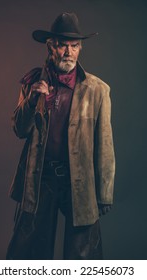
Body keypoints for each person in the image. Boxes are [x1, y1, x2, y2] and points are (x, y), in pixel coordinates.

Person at [6, 12, 115, 260]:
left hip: (79, 180)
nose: (68, 52)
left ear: (80, 48)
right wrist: (33, 99)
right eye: (62, 45)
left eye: (74, 46)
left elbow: (105, 144)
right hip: (40, 178)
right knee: (30, 250)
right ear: (50, 46)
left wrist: (105, 191)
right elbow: (19, 130)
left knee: (83, 254)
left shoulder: (97, 90)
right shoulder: (32, 83)